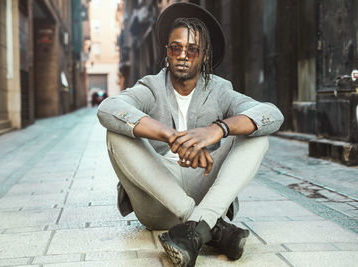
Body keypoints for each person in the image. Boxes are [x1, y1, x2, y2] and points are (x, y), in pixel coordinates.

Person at [97, 2, 284, 266]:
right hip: (158, 201)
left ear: (205, 55)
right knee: (116, 133)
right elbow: (109, 108)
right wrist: (172, 137)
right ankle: (208, 226)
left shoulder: (219, 90)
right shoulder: (151, 87)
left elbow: (271, 114)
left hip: (204, 189)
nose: (183, 55)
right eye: (176, 47)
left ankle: (196, 229)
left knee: (256, 133)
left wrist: (217, 130)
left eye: (192, 49)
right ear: (167, 52)